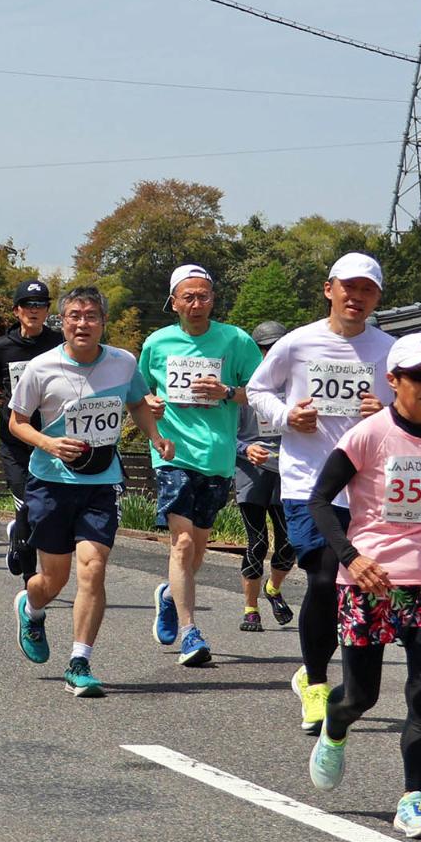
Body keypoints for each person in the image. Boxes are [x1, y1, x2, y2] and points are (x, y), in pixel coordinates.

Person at [303, 332, 421, 842]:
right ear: (393, 380)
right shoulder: (367, 435)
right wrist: (352, 557)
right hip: (370, 582)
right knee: (362, 695)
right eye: (420, 375)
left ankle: (413, 798)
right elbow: (320, 502)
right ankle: (335, 724)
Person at [247, 253, 397, 735]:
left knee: (347, 588)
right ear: (328, 289)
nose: (356, 297)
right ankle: (315, 684)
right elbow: (256, 391)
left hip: (368, 487)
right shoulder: (296, 343)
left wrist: (385, 411)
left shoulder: (391, 349)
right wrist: (288, 415)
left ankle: (332, 672)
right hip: (308, 481)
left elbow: (416, 408)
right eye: (348, 287)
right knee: (323, 576)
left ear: (377, 297)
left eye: (367, 290)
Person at [10, 285, 171, 697]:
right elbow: (17, 422)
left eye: (91, 316)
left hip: (101, 482)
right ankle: (32, 606)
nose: (83, 324)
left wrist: (154, 435)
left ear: (103, 321)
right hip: (50, 481)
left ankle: (79, 662)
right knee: (52, 580)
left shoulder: (122, 362)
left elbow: (137, 401)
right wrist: (49, 443)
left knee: (93, 567)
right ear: (61, 322)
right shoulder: (41, 367)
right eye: (75, 316)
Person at [139, 265, 263, 669]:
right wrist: (151, 407)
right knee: (184, 543)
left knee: (199, 549)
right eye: (187, 297)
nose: (196, 304)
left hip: (219, 456)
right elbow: (138, 396)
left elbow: (262, 394)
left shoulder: (235, 340)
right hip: (173, 453)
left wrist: (227, 391)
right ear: (173, 301)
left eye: (203, 296)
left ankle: (171, 596)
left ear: (213, 298)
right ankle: (191, 633)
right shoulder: (157, 343)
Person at [0, 280, 64, 580]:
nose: (34, 310)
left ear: (47, 310)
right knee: (27, 502)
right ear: (16, 310)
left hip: (50, 437)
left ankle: (18, 536)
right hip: (14, 437)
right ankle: (31, 579)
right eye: (28, 305)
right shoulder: (1, 346)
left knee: (43, 509)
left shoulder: (58, 343)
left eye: (40, 305)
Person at [235, 321, 297, 632]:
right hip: (251, 473)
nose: (270, 353)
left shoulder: (297, 386)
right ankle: (250, 608)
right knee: (257, 542)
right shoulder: (242, 389)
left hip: (287, 470)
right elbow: (224, 434)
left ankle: (273, 589)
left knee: (289, 544)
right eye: (265, 348)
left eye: (276, 347)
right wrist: (246, 450)